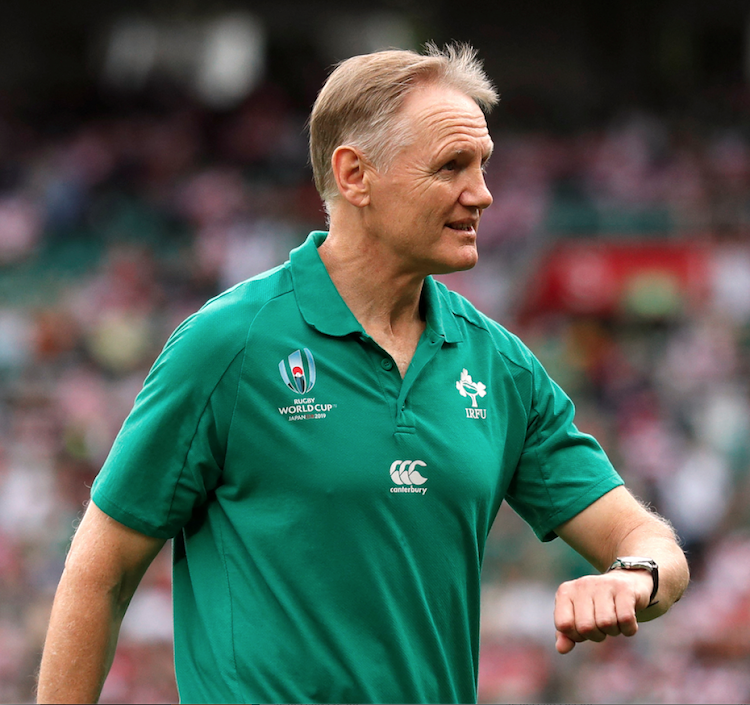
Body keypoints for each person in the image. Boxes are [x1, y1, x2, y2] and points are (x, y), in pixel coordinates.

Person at [37, 43, 689, 704]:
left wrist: (633, 575)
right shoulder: (227, 345)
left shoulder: (500, 366)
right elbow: (99, 573)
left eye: (483, 165)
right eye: (452, 166)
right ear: (355, 175)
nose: (483, 194)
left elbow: (650, 542)